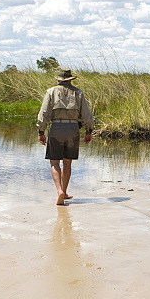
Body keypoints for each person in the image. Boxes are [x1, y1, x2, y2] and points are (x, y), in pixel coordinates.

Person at [37, 69, 94, 206]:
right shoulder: (78, 93)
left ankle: (59, 191)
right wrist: (88, 130)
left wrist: (41, 131)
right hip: (73, 128)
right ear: (70, 79)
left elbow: (44, 113)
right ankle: (65, 191)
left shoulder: (51, 92)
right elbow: (86, 114)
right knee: (67, 162)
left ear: (58, 79)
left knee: (54, 162)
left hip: (56, 127)